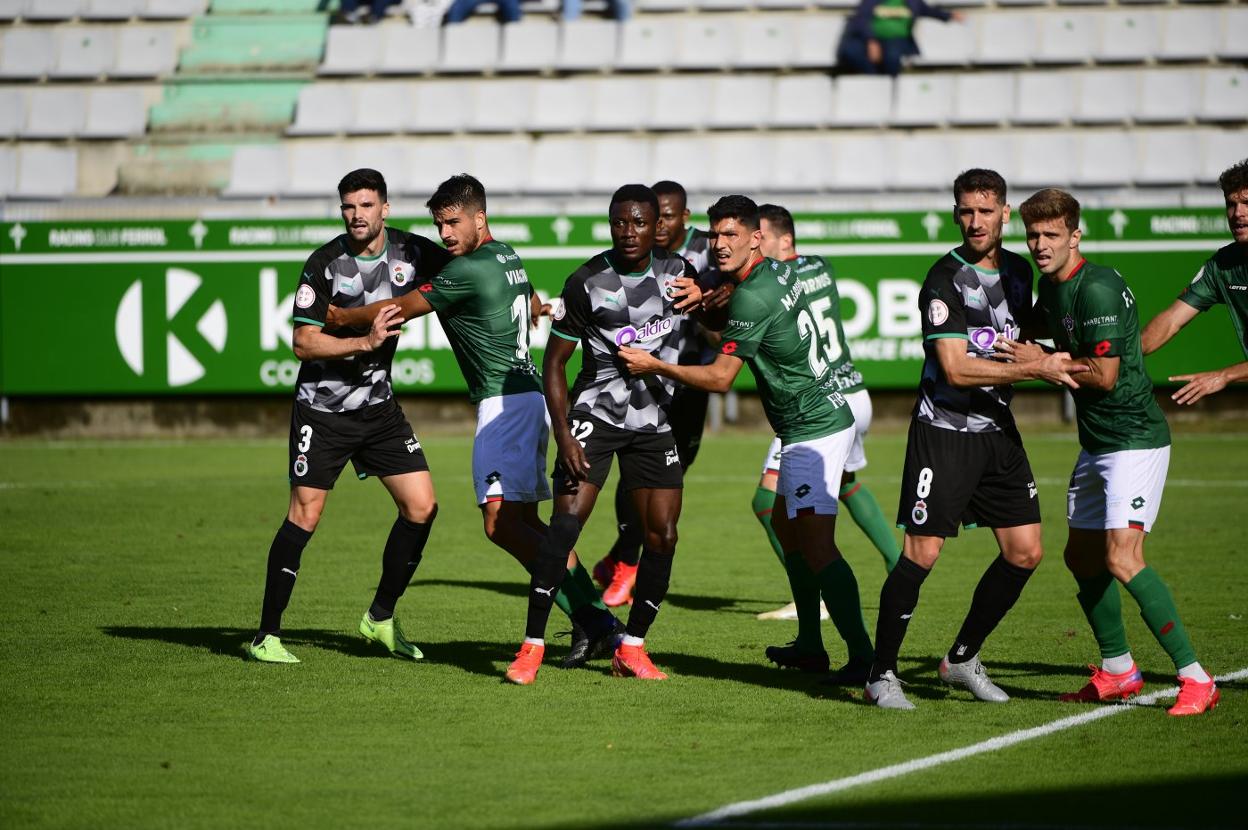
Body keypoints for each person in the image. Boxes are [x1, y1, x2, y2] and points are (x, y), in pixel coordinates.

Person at [327, 174, 621, 669]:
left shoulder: (466, 273)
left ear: (479, 218)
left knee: (499, 523)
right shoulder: (505, 254)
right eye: (439, 224)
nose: (445, 233)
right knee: (529, 525)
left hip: (502, 406)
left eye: (453, 222)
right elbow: (524, 299)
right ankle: (593, 620)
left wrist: (340, 318)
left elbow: (399, 308)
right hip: (527, 399)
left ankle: (597, 623)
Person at [618, 195, 877, 687]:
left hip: (811, 429)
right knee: (785, 524)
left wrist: (656, 365)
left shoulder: (752, 294)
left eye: (731, 235)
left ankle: (865, 657)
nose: (718, 245)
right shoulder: (779, 273)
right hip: (824, 414)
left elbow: (719, 378)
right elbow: (734, 316)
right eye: (715, 235)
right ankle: (810, 644)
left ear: (757, 238)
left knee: (819, 549)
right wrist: (703, 305)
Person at [864, 169, 1087, 710]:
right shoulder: (943, 279)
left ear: (1005, 213)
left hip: (997, 433)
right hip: (944, 433)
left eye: (986, 211)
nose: (975, 221)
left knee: (1026, 551)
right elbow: (957, 369)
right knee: (922, 553)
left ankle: (962, 658)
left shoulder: (1017, 269)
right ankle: (880, 675)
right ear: (955, 213)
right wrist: (1038, 370)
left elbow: (1028, 336)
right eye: (966, 211)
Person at [1003, 188, 1219, 716]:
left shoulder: (1095, 288)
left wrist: (1044, 360)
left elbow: (1104, 376)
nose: (1040, 244)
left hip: (1134, 440)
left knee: (1123, 558)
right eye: (1033, 235)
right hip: (1097, 442)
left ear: (1075, 236)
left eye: (1052, 235)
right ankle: (1120, 670)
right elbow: (1023, 332)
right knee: (1080, 556)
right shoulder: (1053, 288)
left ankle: (1196, 678)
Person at [505, 184, 704, 685]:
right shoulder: (587, 281)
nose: (630, 232)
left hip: (655, 420)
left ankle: (631, 648)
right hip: (596, 416)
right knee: (565, 527)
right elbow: (554, 363)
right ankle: (530, 647)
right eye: (621, 223)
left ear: (660, 223)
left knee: (663, 535)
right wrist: (565, 433)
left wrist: (706, 301)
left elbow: (717, 326)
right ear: (611, 223)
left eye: (640, 223)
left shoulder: (680, 274)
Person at [248, 168, 447, 664]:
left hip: (379, 409)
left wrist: (527, 299)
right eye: (348, 207)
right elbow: (302, 341)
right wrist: (364, 341)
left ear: (385, 208)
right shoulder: (325, 263)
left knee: (422, 506)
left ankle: (379, 618)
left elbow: (466, 268)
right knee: (305, 515)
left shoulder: (413, 251)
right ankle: (266, 636)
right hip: (323, 410)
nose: (356, 215)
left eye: (365, 205)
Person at [753, 204, 901, 632]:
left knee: (767, 502)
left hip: (819, 403)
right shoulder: (820, 266)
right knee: (849, 483)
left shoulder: (776, 282)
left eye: (762, 237)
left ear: (786, 241)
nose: (756, 245)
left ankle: (811, 601)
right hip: (856, 394)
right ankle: (898, 561)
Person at [592, 179, 724, 607]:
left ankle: (617, 557)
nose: (659, 225)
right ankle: (627, 566)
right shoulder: (639, 260)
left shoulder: (709, 251)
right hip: (644, 382)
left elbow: (728, 300)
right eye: (655, 216)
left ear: (685, 217)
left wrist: (705, 306)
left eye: (667, 216)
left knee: (675, 470)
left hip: (690, 379)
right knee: (637, 470)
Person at [1141, 158, 1248, 404]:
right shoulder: (1223, 264)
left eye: (1246, 203)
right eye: (1231, 204)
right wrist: (1119, 358)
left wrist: (1224, 376)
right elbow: (1171, 322)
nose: (1237, 213)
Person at [837, 0, 964, 77]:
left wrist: (950, 15)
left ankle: (889, 83)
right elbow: (861, 19)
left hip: (897, 40)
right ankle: (875, 78)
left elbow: (928, 11)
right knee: (850, 52)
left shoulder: (913, 2)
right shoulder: (872, 1)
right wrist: (871, 41)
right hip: (872, 39)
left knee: (892, 55)